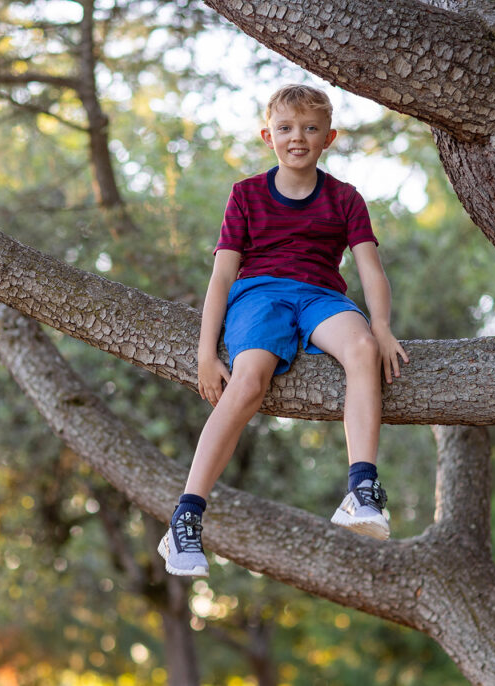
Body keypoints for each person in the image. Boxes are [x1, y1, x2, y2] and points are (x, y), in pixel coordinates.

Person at [158, 84, 409, 578]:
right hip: (260, 295)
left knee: (361, 348)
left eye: (311, 128)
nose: (299, 138)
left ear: (329, 137)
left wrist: (380, 325)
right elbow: (222, 277)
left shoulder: (345, 198)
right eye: (286, 128)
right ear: (267, 135)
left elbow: (370, 269)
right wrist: (206, 353)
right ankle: (186, 515)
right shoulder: (246, 194)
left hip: (321, 297)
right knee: (250, 379)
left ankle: (362, 488)